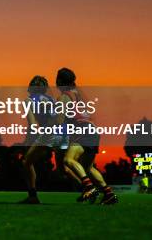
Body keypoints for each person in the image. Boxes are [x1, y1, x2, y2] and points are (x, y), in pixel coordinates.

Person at [58, 68, 118, 205]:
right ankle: (108, 194)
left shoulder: (65, 96)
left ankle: (89, 188)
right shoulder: (79, 94)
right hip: (93, 130)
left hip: (82, 130)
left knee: (68, 160)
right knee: (88, 168)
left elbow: (60, 120)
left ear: (59, 81)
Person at [20, 75, 67, 204]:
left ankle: (32, 196)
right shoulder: (52, 100)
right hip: (63, 133)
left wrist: (30, 139)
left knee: (26, 162)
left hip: (49, 133)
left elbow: (33, 123)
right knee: (65, 168)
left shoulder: (28, 101)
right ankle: (89, 187)